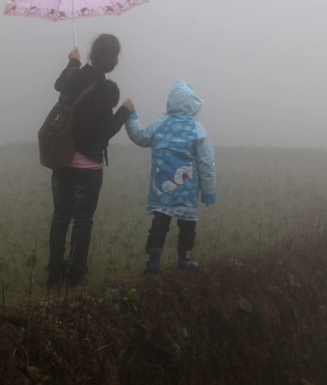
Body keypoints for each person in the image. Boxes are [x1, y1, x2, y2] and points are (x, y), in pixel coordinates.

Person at [47, 33, 133, 288]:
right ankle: (76, 274)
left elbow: (59, 85)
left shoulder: (73, 77)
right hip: (88, 167)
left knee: (61, 216)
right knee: (82, 220)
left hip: (62, 161)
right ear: (114, 62)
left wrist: (73, 62)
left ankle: (54, 273)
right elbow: (105, 131)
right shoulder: (106, 91)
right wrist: (125, 111)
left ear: (90, 55)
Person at [123, 81, 216, 274]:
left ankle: (152, 263)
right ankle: (185, 260)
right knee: (188, 227)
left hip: (161, 192)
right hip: (186, 194)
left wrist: (130, 116)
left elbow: (139, 136)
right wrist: (208, 193)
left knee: (159, 225)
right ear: (194, 105)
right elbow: (206, 163)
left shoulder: (160, 125)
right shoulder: (198, 130)